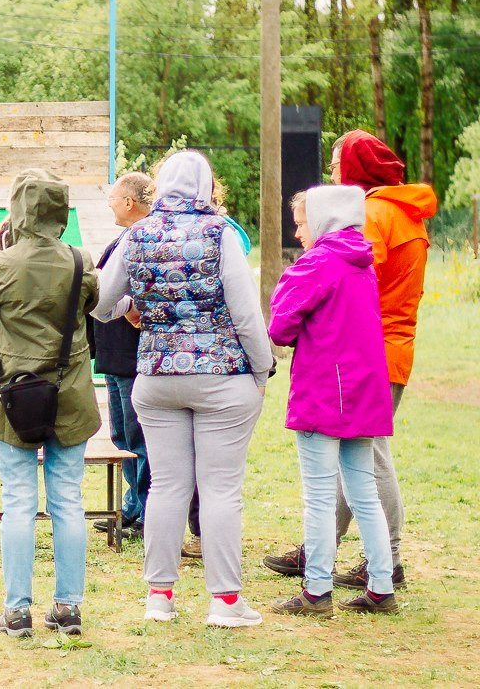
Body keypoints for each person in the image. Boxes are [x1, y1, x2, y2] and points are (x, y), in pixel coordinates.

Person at [93, 150, 273, 628]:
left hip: (156, 376)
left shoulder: (138, 233)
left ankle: (159, 596)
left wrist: (133, 307)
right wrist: (262, 369)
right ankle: (226, 602)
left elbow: (100, 302)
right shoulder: (219, 232)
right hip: (222, 375)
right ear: (206, 186)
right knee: (220, 489)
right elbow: (245, 312)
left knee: (167, 486)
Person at [264, 130, 436, 588]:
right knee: (357, 464)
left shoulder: (372, 215)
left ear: (356, 168)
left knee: (367, 463)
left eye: (338, 165)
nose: (333, 174)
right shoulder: (405, 212)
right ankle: (338, 553)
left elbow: (342, 290)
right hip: (391, 345)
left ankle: (385, 561)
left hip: (358, 354)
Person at [0, 169, 100, 638]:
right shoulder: (80, 261)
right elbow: (91, 303)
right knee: (69, 500)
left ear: (16, 211)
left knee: (18, 501)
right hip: (70, 394)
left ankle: (17, 611)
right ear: (60, 212)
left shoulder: (2, 264)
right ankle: (68, 607)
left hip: (13, 395)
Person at [268, 187, 399, 618]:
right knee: (364, 492)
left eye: (302, 223)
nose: (298, 233)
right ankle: (381, 585)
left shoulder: (318, 263)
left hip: (324, 391)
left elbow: (280, 326)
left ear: (323, 221)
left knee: (320, 496)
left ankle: (316, 590)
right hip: (363, 392)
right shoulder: (363, 262)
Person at [90, 171, 152, 541]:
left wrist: (128, 304)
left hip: (133, 356)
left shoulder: (145, 238)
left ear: (128, 202)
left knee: (138, 436)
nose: (110, 204)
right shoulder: (123, 238)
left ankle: (145, 510)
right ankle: (131, 504)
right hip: (113, 355)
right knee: (122, 436)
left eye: (113, 198)